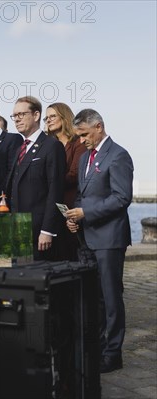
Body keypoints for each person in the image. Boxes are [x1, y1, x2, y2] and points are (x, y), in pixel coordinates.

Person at [65, 109, 133, 374]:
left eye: (84, 135)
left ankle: (113, 354)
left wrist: (86, 213)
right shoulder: (84, 159)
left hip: (109, 239)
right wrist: (75, 216)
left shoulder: (119, 155)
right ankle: (97, 347)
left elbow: (121, 198)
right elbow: (83, 196)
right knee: (95, 299)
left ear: (99, 126)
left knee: (111, 298)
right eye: (79, 136)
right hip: (87, 238)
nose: (82, 141)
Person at [6, 96, 66, 261]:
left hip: (38, 231)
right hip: (17, 228)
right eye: (14, 116)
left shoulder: (52, 146)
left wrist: (47, 230)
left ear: (36, 115)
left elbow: (56, 190)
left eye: (21, 114)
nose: (17, 119)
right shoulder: (20, 149)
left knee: (38, 280)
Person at [45, 102, 86, 261]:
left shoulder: (77, 143)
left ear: (64, 117)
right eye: (46, 118)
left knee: (71, 255)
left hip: (70, 205)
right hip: (51, 207)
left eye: (53, 116)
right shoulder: (48, 145)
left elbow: (75, 173)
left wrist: (50, 182)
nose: (48, 120)